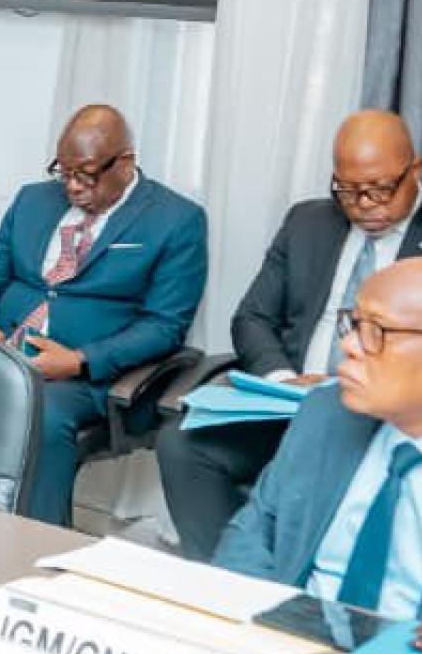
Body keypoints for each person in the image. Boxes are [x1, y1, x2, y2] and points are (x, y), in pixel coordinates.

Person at [161, 111, 422, 560]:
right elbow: (252, 318)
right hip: (291, 406)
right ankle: (220, 579)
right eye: (347, 191)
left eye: (379, 189)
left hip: (386, 419)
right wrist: (284, 379)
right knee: (182, 446)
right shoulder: (308, 222)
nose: (363, 204)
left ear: (414, 171)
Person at [0, 105, 207, 526]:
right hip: (2, 353)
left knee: (38, 411)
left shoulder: (176, 220)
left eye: (87, 175)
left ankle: (37, 538)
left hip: (87, 377)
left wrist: (79, 360)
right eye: (64, 172)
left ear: (125, 163)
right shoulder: (32, 200)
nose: (73, 186)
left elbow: (165, 325)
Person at [212, 259, 422, 619]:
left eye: (377, 330)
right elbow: (253, 534)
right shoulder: (327, 412)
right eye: (354, 324)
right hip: (292, 626)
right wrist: (263, 625)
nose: (349, 346)